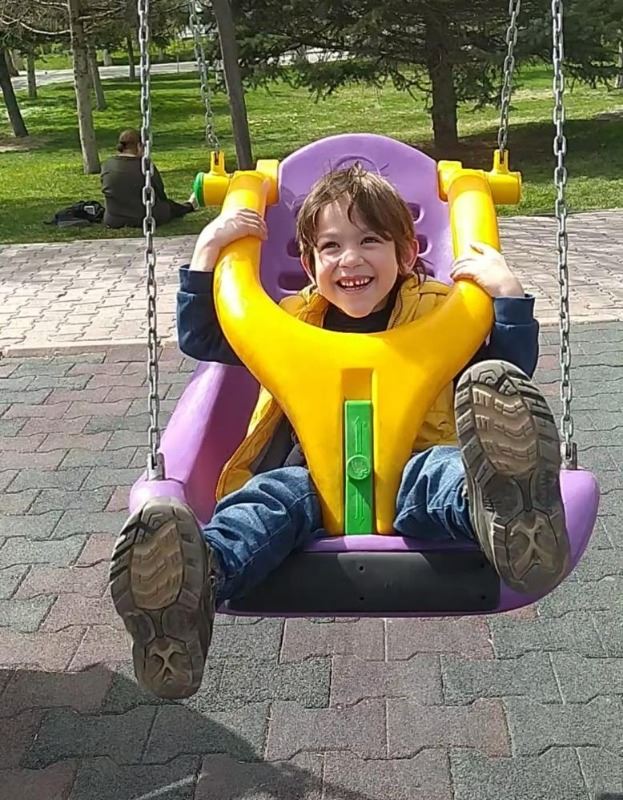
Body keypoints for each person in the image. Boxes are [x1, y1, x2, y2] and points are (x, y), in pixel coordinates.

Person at [110, 164, 571, 700]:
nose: (350, 259)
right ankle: (192, 584)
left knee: (449, 474)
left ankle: (509, 516)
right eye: (331, 247)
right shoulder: (289, 319)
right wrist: (208, 250)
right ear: (309, 265)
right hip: (307, 477)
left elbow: (503, 368)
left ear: (406, 254)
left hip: (412, 467)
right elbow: (205, 339)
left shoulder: (443, 312)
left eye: (369, 240)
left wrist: (507, 295)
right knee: (260, 505)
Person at [100, 129, 198, 229]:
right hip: (145, 217)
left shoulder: (107, 165)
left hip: (114, 219)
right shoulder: (145, 167)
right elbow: (160, 193)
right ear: (139, 146)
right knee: (170, 206)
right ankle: (189, 205)